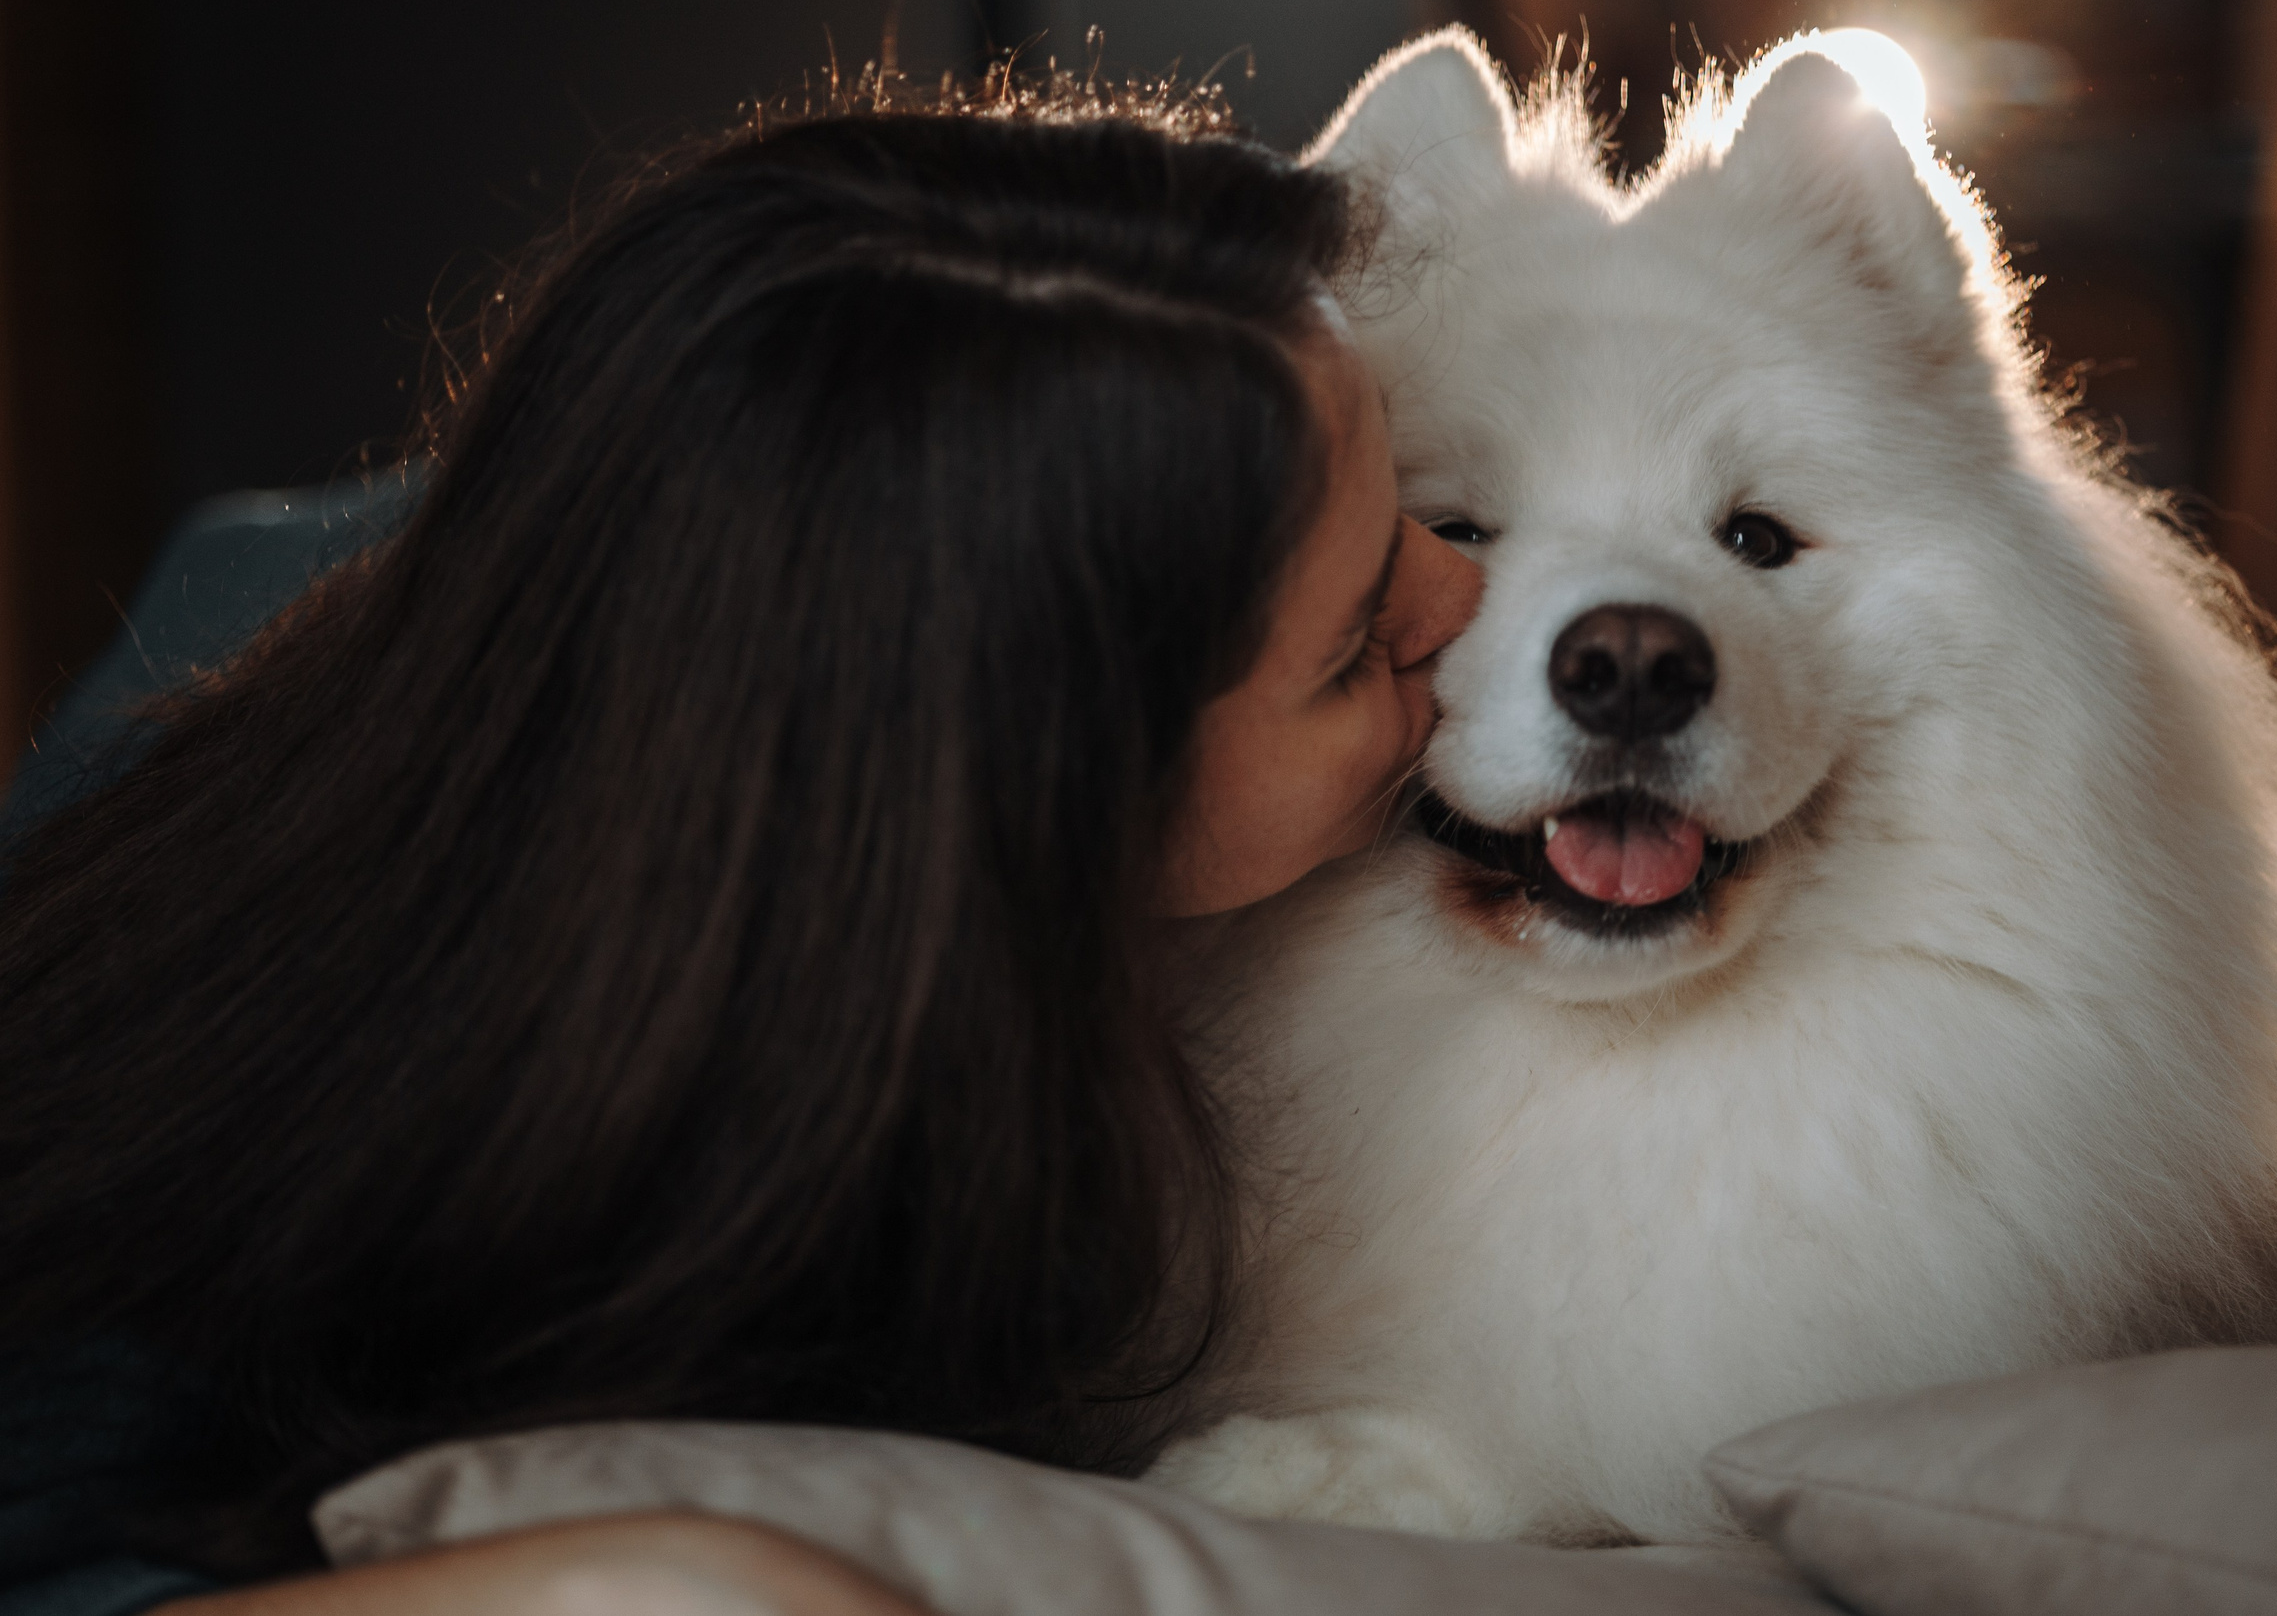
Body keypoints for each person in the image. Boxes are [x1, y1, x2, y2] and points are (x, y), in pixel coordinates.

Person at [0, 79, 1481, 1614]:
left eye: (1422, 504)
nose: (1464, 598)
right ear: (1050, 813)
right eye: (1355, 645)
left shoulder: (729, 528)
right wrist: (656, 1580)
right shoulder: (268, 1126)